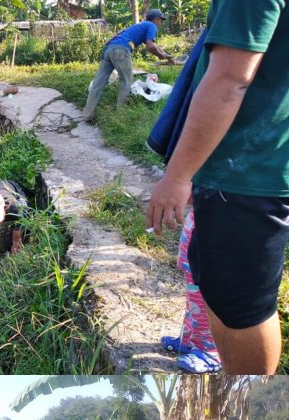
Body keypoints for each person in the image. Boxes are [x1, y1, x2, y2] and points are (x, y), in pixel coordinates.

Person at [147, 1, 289, 375]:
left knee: (242, 305)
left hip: (246, 168)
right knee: (214, 279)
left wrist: (177, 176)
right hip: (249, 162)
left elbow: (229, 80)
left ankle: (243, 404)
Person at [82, 9, 175, 122]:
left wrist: (167, 56)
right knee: (125, 81)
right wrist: (160, 56)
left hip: (108, 49)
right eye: (161, 20)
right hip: (121, 50)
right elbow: (150, 47)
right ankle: (120, 116)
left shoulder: (140, 25)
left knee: (98, 83)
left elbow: (155, 46)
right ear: (156, 19)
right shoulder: (151, 25)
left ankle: (87, 115)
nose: (160, 23)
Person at [160, 209, 221, 373]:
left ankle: (209, 351)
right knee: (193, 299)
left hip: (216, 232)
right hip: (200, 223)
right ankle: (189, 339)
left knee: (203, 300)